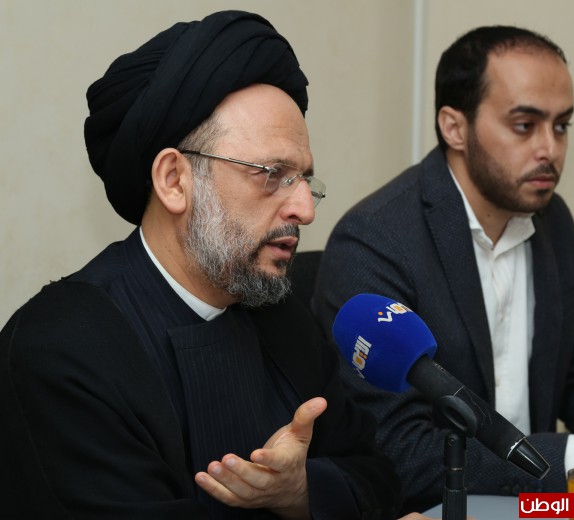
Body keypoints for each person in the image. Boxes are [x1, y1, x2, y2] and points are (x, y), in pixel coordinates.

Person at [0, 10, 437, 520]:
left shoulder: (282, 316)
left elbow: (378, 473)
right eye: (272, 174)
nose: (305, 210)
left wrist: (301, 490)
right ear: (174, 181)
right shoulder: (60, 350)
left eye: (304, 180)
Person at [313, 25, 574, 515]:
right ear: (454, 128)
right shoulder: (374, 240)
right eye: (525, 125)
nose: (550, 149)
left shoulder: (552, 220)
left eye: (562, 126)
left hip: (539, 504)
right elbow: (400, 453)